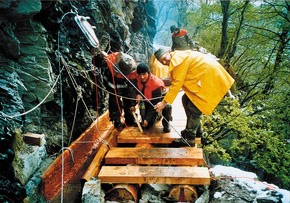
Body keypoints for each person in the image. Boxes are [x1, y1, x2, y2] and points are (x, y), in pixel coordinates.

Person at [154, 46, 235, 146]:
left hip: (209, 78)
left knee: (194, 107)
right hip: (203, 76)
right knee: (185, 99)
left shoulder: (178, 61)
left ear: (169, 52)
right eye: (162, 61)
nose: (165, 62)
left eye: (164, 58)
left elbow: (176, 84)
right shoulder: (177, 57)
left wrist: (163, 103)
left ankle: (190, 138)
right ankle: (196, 130)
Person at [92, 51, 137, 128]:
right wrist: (99, 57)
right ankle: (116, 120)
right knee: (115, 101)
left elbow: (131, 89)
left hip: (125, 83)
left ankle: (129, 118)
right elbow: (94, 62)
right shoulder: (110, 59)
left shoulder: (132, 69)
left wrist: (132, 104)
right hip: (112, 82)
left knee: (128, 99)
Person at [132, 63, 172, 132]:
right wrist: (137, 94)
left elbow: (154, 104)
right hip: (146, 99)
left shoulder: (156, 84)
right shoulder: (136, 79)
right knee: (147, 126)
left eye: (144, 74)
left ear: (149, 73)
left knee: (167, 107)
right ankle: (155, 117)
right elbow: (131, 89)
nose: (142, 77)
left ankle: (166, 123)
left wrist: (147, 119)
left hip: (158, 101)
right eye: (140, 74)